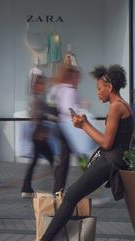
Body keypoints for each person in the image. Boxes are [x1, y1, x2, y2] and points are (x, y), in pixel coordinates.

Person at [22, 64, 134, 241]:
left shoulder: (116, 107)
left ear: (109, 87)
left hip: (110, 161)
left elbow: (107, 143)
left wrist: (84, 125)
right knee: (72, 194)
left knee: (71, 195)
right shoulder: (122, 105)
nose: (97, 93)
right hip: (110, 159)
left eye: (99, 88)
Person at [21, 75, 57, 198]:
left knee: (35, 162)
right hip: (39, 137)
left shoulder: (39, 99)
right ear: (37, 86)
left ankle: (26, 189)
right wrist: (49, 116)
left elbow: (47, 110)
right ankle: (57, 188)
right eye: (42, 84)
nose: (44, 86)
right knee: (53, 162)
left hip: (39, 137)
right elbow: (37, 115)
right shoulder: (36, 100)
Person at [50, 64, 81, 193]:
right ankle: (59, 190)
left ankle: (58, 189)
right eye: (77, 78)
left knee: (64, 160)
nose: (78, 80)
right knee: (78, 157)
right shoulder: (69, 90)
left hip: (60, 128)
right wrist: (80, 110)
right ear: (72, 77)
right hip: (68, 129)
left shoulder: (59, 88)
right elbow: (68, 108)